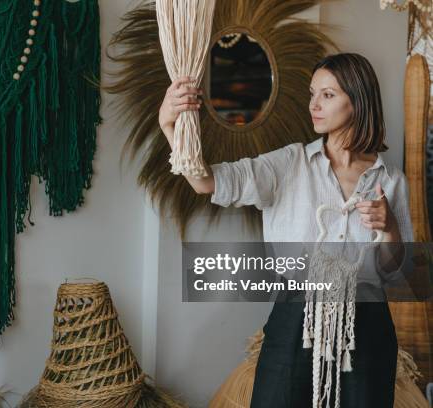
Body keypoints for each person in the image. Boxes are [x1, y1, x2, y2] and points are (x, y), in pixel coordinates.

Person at [158, 53, 414, 407]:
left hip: (367, 331)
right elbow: (207, 182)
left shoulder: (391, 179)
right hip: (295, 323)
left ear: (357, 100)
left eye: (328, 95)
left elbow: (396, 274)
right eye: (313, 93)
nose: (314, 104)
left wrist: (390, 229)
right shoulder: (289, 164)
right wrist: (171, 127)